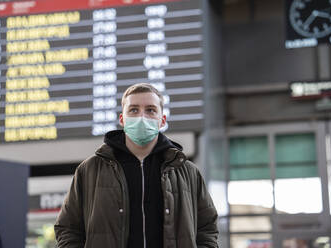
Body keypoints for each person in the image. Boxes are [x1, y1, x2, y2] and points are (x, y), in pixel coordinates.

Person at [54, 83, 219, 247]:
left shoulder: (187, 172)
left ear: (162, 121)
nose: (142, 117)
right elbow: (68, 228)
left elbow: (207, 229)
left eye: (150, 110)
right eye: (133, 110)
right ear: (122, 119)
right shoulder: (90, 169)